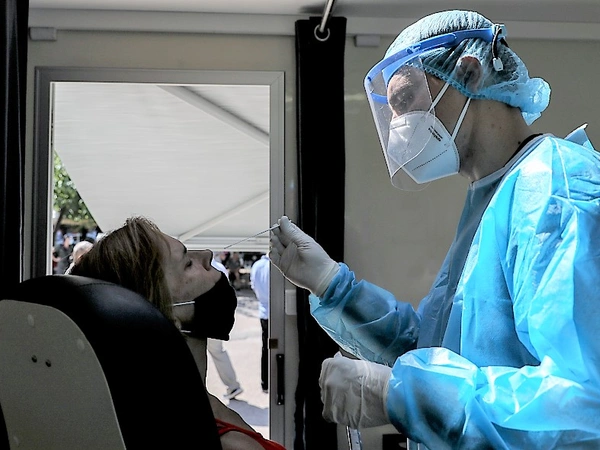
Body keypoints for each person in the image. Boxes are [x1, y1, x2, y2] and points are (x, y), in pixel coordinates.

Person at [269, 9, 600, 449]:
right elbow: (438, 347)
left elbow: (582, 404)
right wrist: (331, 283)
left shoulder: (555, 190)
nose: (400, 126)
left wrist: (402, 394)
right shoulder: (494, 195)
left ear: (469, 72)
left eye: (407, 100)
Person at [70, 216, 285, 450]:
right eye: (188, 263)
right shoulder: (231, 445)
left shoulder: (191, 404)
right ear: (166, 314)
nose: (206, 254)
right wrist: (317, 286)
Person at [208, 256, 244, 400]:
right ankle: (233, 384)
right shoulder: (220, 267)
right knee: (218, 352)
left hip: (200, 317)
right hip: (216, 318)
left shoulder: (194, 266)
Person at [250, 253, 270, 393]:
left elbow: (253, 285)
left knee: (265, 348)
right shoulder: (274, 266)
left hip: (263, 311)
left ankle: (265, 382)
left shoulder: (256, 265)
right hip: (275, 312)